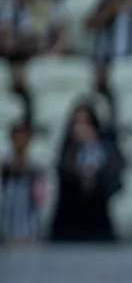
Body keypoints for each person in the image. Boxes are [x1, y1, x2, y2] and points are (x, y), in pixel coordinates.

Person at [50, 102, 123, 242]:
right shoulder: (67, 148)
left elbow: (114, 172)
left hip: (98, 220)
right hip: (69, 221)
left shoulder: (104, 146)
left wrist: (94, 143)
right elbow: (64, 172)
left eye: (86, 123)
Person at [0, 120, 46, 244]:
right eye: (17, 136)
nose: (20, 140)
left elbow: (41, 196)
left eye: (24, 136)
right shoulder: (4, 161)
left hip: (29, 220)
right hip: (7, 219)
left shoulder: (36, 161)